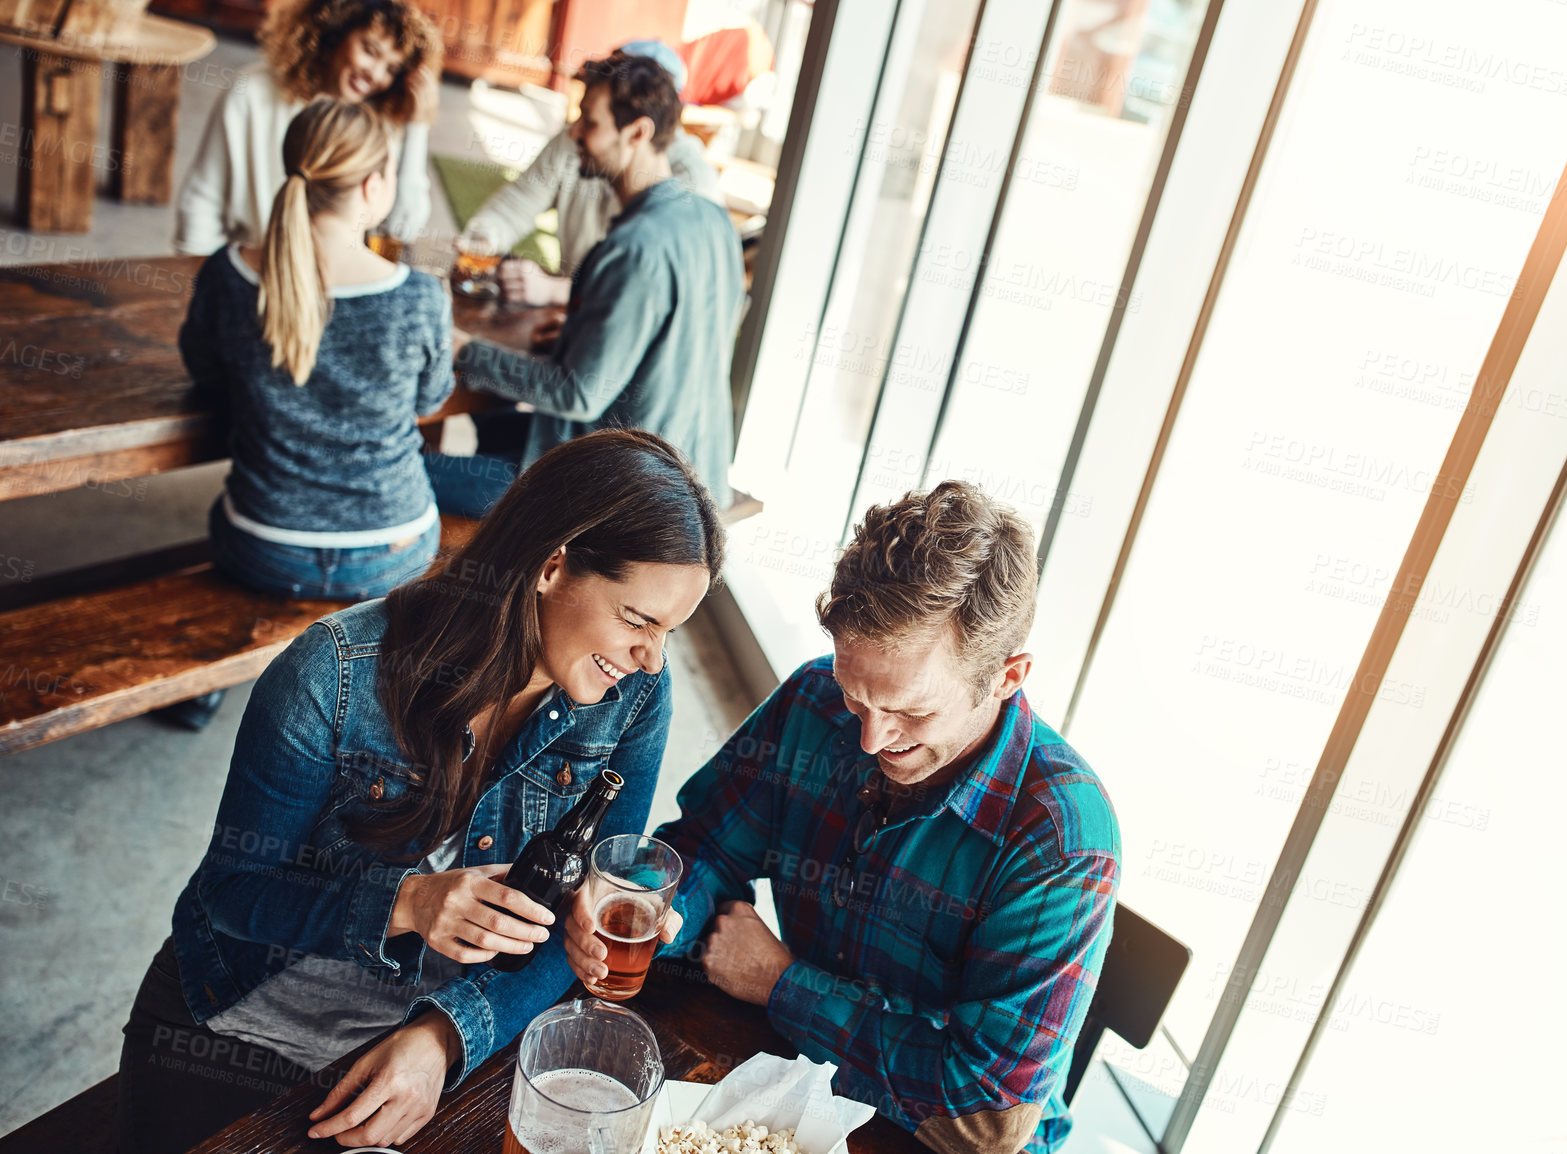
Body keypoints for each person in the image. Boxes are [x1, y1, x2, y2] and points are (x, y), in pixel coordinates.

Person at [117, 429, 724, 1154]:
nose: (651, 657)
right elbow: (234, 892)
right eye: (637, 618)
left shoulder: (635, 696)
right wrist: (410, 902)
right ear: (552, 564)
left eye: (671, 632)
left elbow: (582, 910)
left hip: (441, 1024)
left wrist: (442, 1036)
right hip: (246, 1014)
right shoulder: (332, 675)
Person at [566, 482, 1121, 1154]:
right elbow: (706, 845)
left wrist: (779, 982)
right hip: (793, 1077)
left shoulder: (1063, 840)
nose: (870, 742)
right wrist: (670, 911)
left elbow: (984, 1111)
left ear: (1007, 676)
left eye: (912, 713)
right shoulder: (814, 699)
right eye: (859, 698)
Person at [430, 50, 744, 515]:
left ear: (637, 133)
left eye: (588, 122)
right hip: (692, 470)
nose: (574, 132)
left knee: (405, 475)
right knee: (483, 425)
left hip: (614, 492)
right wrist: (588, 334)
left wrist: (462, 348)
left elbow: (575, 394)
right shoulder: (713, 220)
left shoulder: (632, 247)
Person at [182, 98, 452, 603]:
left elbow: (206, 373)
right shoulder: (420, 295)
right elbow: (430, 400)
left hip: (266, 544)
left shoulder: (228, 275)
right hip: (392, 548)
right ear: (374, 186)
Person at [461, 40, 724, 308]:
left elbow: (657, 293)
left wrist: (558, 291)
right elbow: (517, 204)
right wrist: (483, 238)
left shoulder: (694, 183)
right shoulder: (576, 140)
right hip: (575, 318)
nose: (575, 130)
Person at [175, 0, 442, 255]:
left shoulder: (379, 121)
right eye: (369, 51)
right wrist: (202, 283)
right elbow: (202, 201)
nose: (376, 74)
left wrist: (417, 127)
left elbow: (402, 228)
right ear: (334, 35)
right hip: (254, 268)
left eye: (392, 69)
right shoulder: (250, 93)